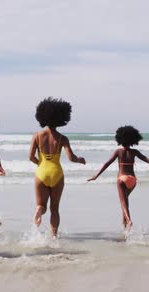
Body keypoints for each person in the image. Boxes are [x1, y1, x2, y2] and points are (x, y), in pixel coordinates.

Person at [87, 125, 149, 233]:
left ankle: (129, 220)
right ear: (133, 140)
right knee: (125, 202)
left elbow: (107, 164)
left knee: (123, 202)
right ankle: (125, 229)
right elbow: (146, 159)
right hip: (132, 180)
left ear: (120, 139)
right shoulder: (134, 152)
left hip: (122, 179)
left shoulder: (118, 152)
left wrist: (96, 175)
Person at [29, 97, 86, 238]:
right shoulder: (62, 138)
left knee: (42, 205)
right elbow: (71, 158)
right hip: (56, 173)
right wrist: (80, 160)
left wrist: (41, 165)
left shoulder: (37, 136)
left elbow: (30, 157)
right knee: (55, 209)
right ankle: (54, 236)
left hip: (41, 172)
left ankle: (39, 210)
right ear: (61, 118)